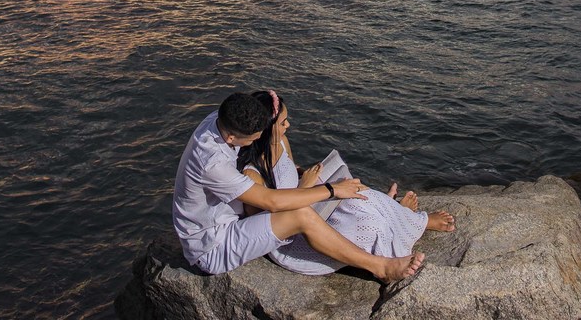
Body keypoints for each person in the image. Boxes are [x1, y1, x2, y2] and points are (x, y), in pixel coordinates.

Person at [172, 92, 424, 282]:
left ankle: (396, 215)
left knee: (352, 195)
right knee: (302, 214)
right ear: (230, 138)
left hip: (231, 220)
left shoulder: (219, 118)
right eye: (252, 138)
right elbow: (271, 202)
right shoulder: (212, 163)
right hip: (213, 244)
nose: (257, 140)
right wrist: (331, 190)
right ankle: (381, 267)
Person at [237, 89, 455, 275]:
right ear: (265, 131)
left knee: (361, 195)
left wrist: (311, 175)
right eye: (283, 122)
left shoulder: (281, 142)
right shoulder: (251, 176)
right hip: (294, 239)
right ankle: (385, 264)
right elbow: (267, 229)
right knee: (369, 226)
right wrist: (306, 186)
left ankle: (411, 219)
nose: (289, 125)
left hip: (308, 206)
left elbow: (289, 171)